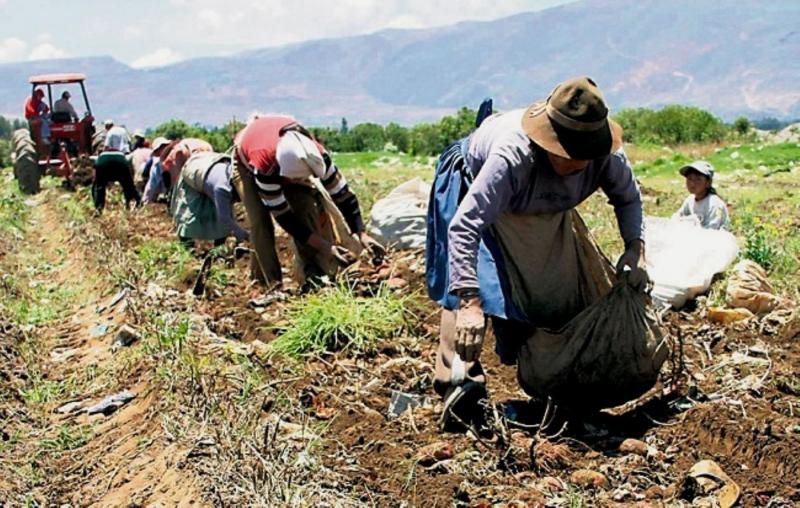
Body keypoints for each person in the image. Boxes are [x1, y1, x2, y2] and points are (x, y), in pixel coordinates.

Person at [426, 77, 648, 432]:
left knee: (557, 290)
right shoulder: (512, 155)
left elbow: (628, 198)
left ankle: (563, 380)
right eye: (568, 154)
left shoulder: (604, 155)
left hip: (543, 210)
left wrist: (635, 249)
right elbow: (465, 226)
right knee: (478, 287)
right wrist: (469, 302)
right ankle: (459, 384)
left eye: (584, 155)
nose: (578, 163)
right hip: (476, 190)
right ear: (549, 141)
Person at [232, 114, 384, 285]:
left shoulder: (318, 156)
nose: (299, 181)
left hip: (276, 151)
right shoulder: (265, 168)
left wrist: (361, 234)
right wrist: (325, 247)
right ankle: (268, 283)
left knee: (305, 205)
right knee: (260, 221)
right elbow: (285, 218)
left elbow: (344, 196)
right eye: (296, 179)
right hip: (245, 162)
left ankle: (314, 274)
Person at [169, 151, 249, 248]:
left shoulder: (241, 179)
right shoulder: (222, 188)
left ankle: (219, 246)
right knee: (190, 214)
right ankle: (186, 245)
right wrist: (241, 233)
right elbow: (224, 217)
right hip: (193, 171)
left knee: (219, 211)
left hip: (212, 167)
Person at [92, 125, 141, 212]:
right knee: (128, 184)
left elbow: (106, 147)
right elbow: (128, 145)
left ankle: (98, 208)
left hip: (103, 161)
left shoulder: (110, 133)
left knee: (100, 186)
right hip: (120, 160)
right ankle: (136, 201)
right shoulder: (124, 132)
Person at [673, 160, 730, 230]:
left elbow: (712, 229)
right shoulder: (690, 200)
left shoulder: (715, 204)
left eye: (698, 179)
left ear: (708, 183)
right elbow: (678, 217)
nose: (692, 183)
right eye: (689, 178)